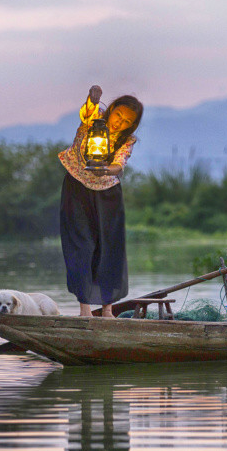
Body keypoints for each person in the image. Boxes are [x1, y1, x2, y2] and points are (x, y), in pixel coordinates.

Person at [58, 86, 143, 317]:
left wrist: (106, 170)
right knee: (81, 247)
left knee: (109, 249)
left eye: (127, 121)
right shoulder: (92, 119)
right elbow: (86, 111)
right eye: (118, 115)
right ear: (111, 109)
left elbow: (120, 163)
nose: (119, 123)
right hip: (76, 189)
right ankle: (85, 309)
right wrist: (92, 98)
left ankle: (107, 310)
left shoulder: (127, 140)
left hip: (108, 194)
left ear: (132, 125)